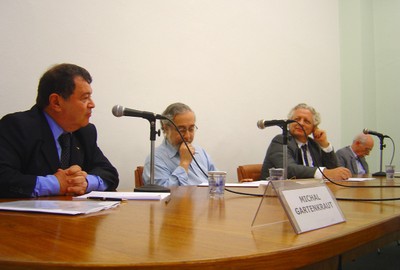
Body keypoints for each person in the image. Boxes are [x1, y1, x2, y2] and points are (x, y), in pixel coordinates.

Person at [0, 63, 119, 198]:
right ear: (56, 102)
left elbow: (109, 173)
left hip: (71, 216)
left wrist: (85, 182)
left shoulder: (85, 132)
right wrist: (55, 184)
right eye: (85, 98)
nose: (92, 104)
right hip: (24, 218)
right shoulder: (18, 126)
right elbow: (3, 177)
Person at [260, 103, 351, 180]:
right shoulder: (281, 140)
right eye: (297, 119)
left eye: (306, 121)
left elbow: (334, 170)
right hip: (275, 194)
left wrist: (324, 145)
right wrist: (324, 173)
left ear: (314, 128)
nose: (301, 123)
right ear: (289, 123)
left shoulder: (314, 144)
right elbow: (289, 169)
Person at [142, 102, 216, 187]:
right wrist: (184, 163)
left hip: (208, 199)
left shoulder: (201, 152)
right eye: (181, 130)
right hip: (182, 200)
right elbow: (163, 193)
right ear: (166, 129)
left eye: (191, 129)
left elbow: (217, 180)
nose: (188, 136)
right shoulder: (155, 159)